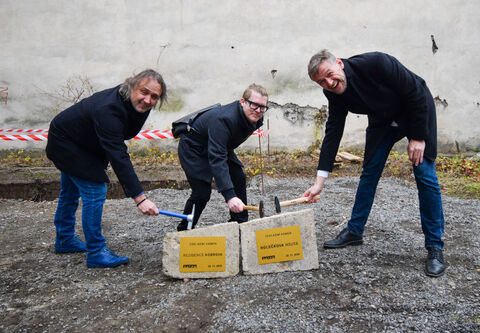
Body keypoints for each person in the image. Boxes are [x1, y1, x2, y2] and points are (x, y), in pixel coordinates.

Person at [303, 50, 446, 277]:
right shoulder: (333, 93)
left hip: (415, 110)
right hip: (383, 120)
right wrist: (320, 180)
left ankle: (435, 247)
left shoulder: (376, 63)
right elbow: (333, 131)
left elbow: (415, 92)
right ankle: (355, 231)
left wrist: (418, 137)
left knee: (424, 173)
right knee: (369, 172)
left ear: (339, 63)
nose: (329, 83)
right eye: (322, 82)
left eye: (330, 75)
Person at [46, 69, 166, 268]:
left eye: (154, 96)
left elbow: (116, 136)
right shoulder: (109, 108)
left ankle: (64, 239)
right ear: (131, 86)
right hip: (66, 142)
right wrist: (140, 198)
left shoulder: (135, 103)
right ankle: (95, 252)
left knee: (70, 190)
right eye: (144, 92)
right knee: (95, 189)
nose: (147, 100)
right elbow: (118, 154)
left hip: (84, 142)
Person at [176, 83, 268, 231]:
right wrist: (229, 196)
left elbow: (223, 146)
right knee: (202, 192)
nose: (258, 111)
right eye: (254, 105)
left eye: (262, 107)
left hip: (218, 143)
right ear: (242, 102)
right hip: (193, 146)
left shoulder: (257, 119)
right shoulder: (224, 120)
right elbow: (217, 158)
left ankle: (239, 224)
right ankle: (184, 230)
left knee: (237, 176)